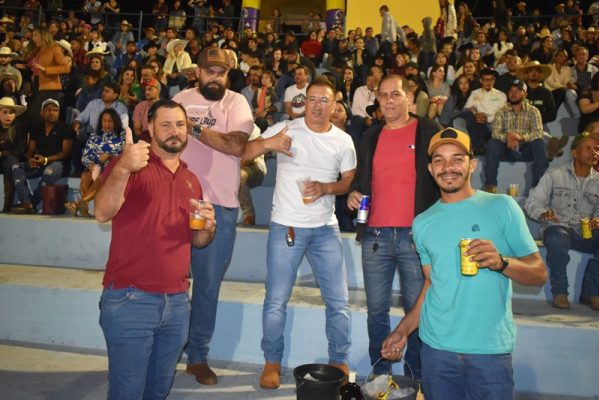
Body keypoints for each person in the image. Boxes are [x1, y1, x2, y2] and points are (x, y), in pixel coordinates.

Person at [381, 127, 547, 400]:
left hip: (489, 350)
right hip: (436, 350)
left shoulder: (502, 206)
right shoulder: (422, 223)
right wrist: (403, 330)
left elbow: (539, 274)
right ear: (430, 169)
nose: (448, 167)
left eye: (457, 159)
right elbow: (431, 285)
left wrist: (501, 262)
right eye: (439, 160)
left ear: (472, 164)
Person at [95, 99, 216, 399]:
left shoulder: (191, 180)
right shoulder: (131, 164)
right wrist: (123, 166)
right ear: (149, 128)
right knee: (127, 393)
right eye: (166, 124)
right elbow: (102, 212)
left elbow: (197, 241)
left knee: (158, 391)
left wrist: (208, 229)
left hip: (177, 302)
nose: (175, 131)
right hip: (131, 299)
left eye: (180, 125)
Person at [241, 77, 356, 389]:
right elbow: (243, 154)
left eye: (324, 100)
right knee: (275, 300)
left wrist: (326, 188)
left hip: (325, 228)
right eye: (312, 99)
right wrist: (269, 144)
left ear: (334, 105)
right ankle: (272, 361)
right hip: (287, 225)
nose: (317, 105)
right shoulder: (286, 128)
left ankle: (339, 359)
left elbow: (348, 180)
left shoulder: (343, 140)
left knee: (339, 301)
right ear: (304, 102)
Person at [346, 74, 441, 379]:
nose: (388, 100)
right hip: (376, 237)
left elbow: (442, 178)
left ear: (409, 98)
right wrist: (354, 193)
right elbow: (362, 179)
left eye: (395, 94)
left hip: (416, 238)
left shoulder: (428, 131)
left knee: (417, 310)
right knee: (376, 311)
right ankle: (380, 373)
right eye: (383, 95)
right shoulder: (370, 137)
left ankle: (415, 376)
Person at [172, 47, 254, 386]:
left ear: (228, 75)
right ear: (198, 72)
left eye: (221, 73)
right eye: (209, 71)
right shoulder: (180, 99)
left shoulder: (236, 103)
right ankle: (167, 349)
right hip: (176, 201)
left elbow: (236, 145)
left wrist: (192, 129)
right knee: (168, 282)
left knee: (206, 286)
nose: (215, 78)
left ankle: (197, 357)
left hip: (219, 205)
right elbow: (164, 140)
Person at [525, 131, 599, 311]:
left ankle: (591, 292)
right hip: (558, 228)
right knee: (557, 236)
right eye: (588, 148)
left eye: (597, 149)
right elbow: (532, 202)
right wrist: (543, 213)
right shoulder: (554, 174)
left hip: (585, 233)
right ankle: (560, 292)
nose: (594, 153)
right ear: (575, 152)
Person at [11, 99, 75, 214]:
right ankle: (26, 202)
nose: (52, 113)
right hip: (40, 162)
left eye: (55, 110)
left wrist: (46, 160)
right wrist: (31, 159)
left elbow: (66, 153)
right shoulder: (37, 128)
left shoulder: (66, 128)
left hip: (60, 164)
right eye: (49, 110)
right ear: (42, 113)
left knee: (49, 171)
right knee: (16, 167)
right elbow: (30, 150)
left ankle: (32, 203)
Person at [484, 79, 548, 192]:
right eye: (511, 90)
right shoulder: (501, 111)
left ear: (525, 94)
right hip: (507, 149)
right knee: (492, 144)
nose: (513, 93)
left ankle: (538, 188)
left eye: (518, 90)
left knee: (539, 143)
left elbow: (538, 132)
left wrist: (521, 138)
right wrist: (508, 137)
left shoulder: (533, 111)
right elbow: (495, 133)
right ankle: (491, 186)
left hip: (526, 149)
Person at [65, 108, 125, 217]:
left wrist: (110, 156)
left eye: (110, 121)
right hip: (97, 167)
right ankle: (84, 209)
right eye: (104, 120)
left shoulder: (122, 135)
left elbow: (125, 155)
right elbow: (86, 155)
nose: (106, 123)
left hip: (113, 169)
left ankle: (78, 204)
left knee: (102, 177)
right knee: (85, 175)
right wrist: (90, 164)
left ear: (115, 122)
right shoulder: (95, 135)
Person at [0, 97, 27, 212]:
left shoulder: (19, 129)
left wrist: (2, 153)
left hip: (11, 161)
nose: (8, 115)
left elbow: (20, 152)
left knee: (10, 162)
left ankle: (8, 203)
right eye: (5, 112)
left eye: (11, 112)